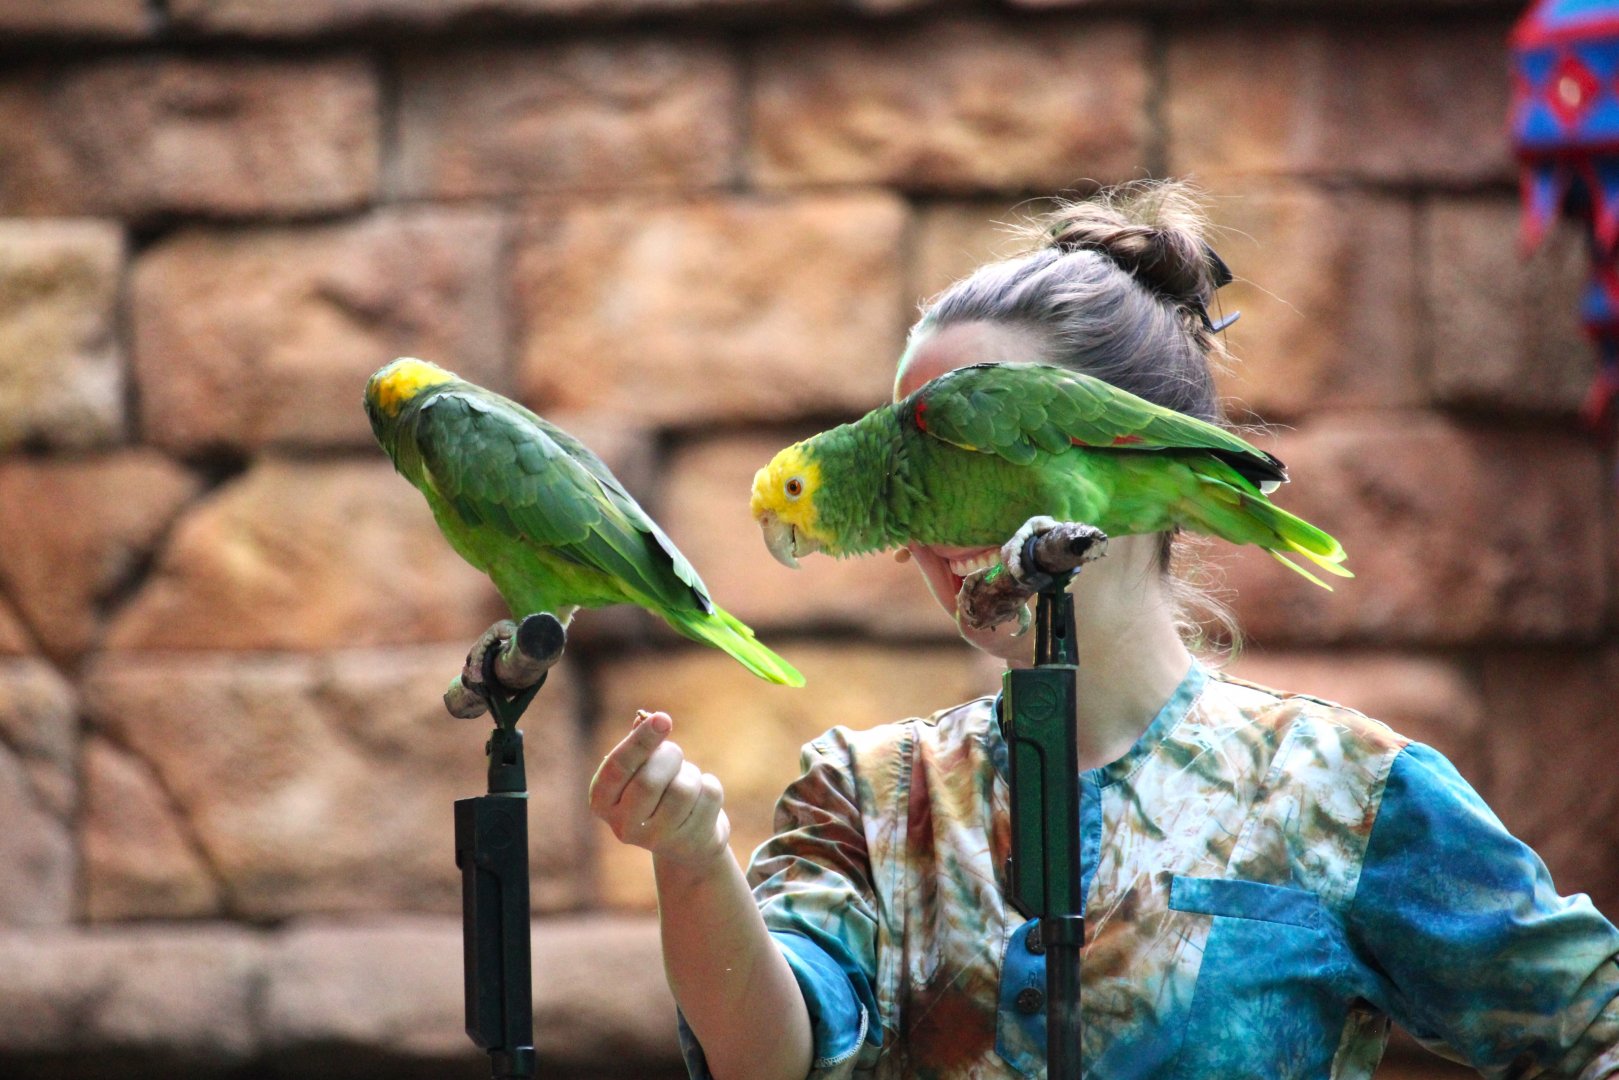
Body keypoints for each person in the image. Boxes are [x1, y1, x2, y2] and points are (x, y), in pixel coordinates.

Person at [586, 182, 1619, 1079]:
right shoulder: (863, 797)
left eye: (959, 459)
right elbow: (771, 1056)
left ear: (1125, 457)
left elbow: (1592, 1024)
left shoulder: (1335, 787)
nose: (931, 531)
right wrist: (689, 859)